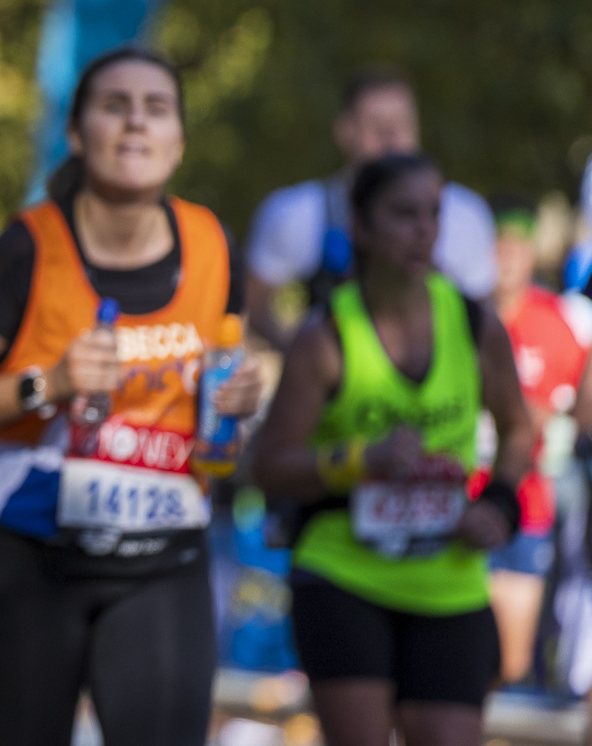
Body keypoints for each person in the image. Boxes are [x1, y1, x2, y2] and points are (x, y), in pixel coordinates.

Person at [0, 46, 263, 746]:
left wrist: (237, 404)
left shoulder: (212, 242)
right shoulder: (26, 248)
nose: (136, 124)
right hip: (25, 561)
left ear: (179, 140)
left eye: (156, 108)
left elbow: (221, 407)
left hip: (162, 557)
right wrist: (50, 385)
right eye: (114, 105)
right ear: (77, 133)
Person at [254, 154, 531, 746]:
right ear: (362, 225)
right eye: (404, 215)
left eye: (433, 214)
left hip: (449, 579)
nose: (424, 231)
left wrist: (501, 505)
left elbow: (518, 429)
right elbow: (270, 465)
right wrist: (359, 461)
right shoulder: (325, 336)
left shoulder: (474, 325)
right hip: (345, 573)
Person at [245, 67, 495, 348]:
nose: (391, 139)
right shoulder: (297, 214)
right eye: (375, 124)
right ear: (359, 226)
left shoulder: (466, 216)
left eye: (402, 124)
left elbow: (485, 321)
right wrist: (304, 359)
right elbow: (254, 304)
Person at [484, 195, 586, 686]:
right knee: (458, 648)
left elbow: (567, 406)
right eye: (496, 246)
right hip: (460, 495)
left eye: (515, 247)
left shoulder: (557, 319)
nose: (505, 258)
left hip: (527, 501)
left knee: (510, 660)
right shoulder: (462, 314)